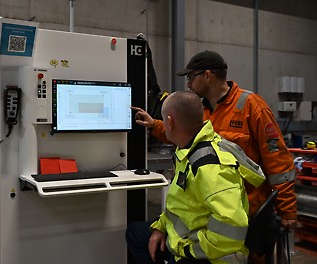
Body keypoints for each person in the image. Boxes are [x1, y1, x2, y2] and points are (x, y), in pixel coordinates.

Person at [131, 50, 297, 262]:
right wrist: (155, 125)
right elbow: (183, 134)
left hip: (245, 210)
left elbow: (278, 162)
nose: (189, 84)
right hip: (210, 212)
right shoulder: (203, 110)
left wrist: (287, 209)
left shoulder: (252, 107)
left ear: (207, 75)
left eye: (191, 77)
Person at [126, 91, 264, 263]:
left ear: (169, 122)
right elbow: (180, 203)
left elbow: (231, 227)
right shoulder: (190, 150)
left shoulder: (210, 166)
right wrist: (160, 227)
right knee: (135, 232)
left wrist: (188, 251)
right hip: (193, 235)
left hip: (209, 256)